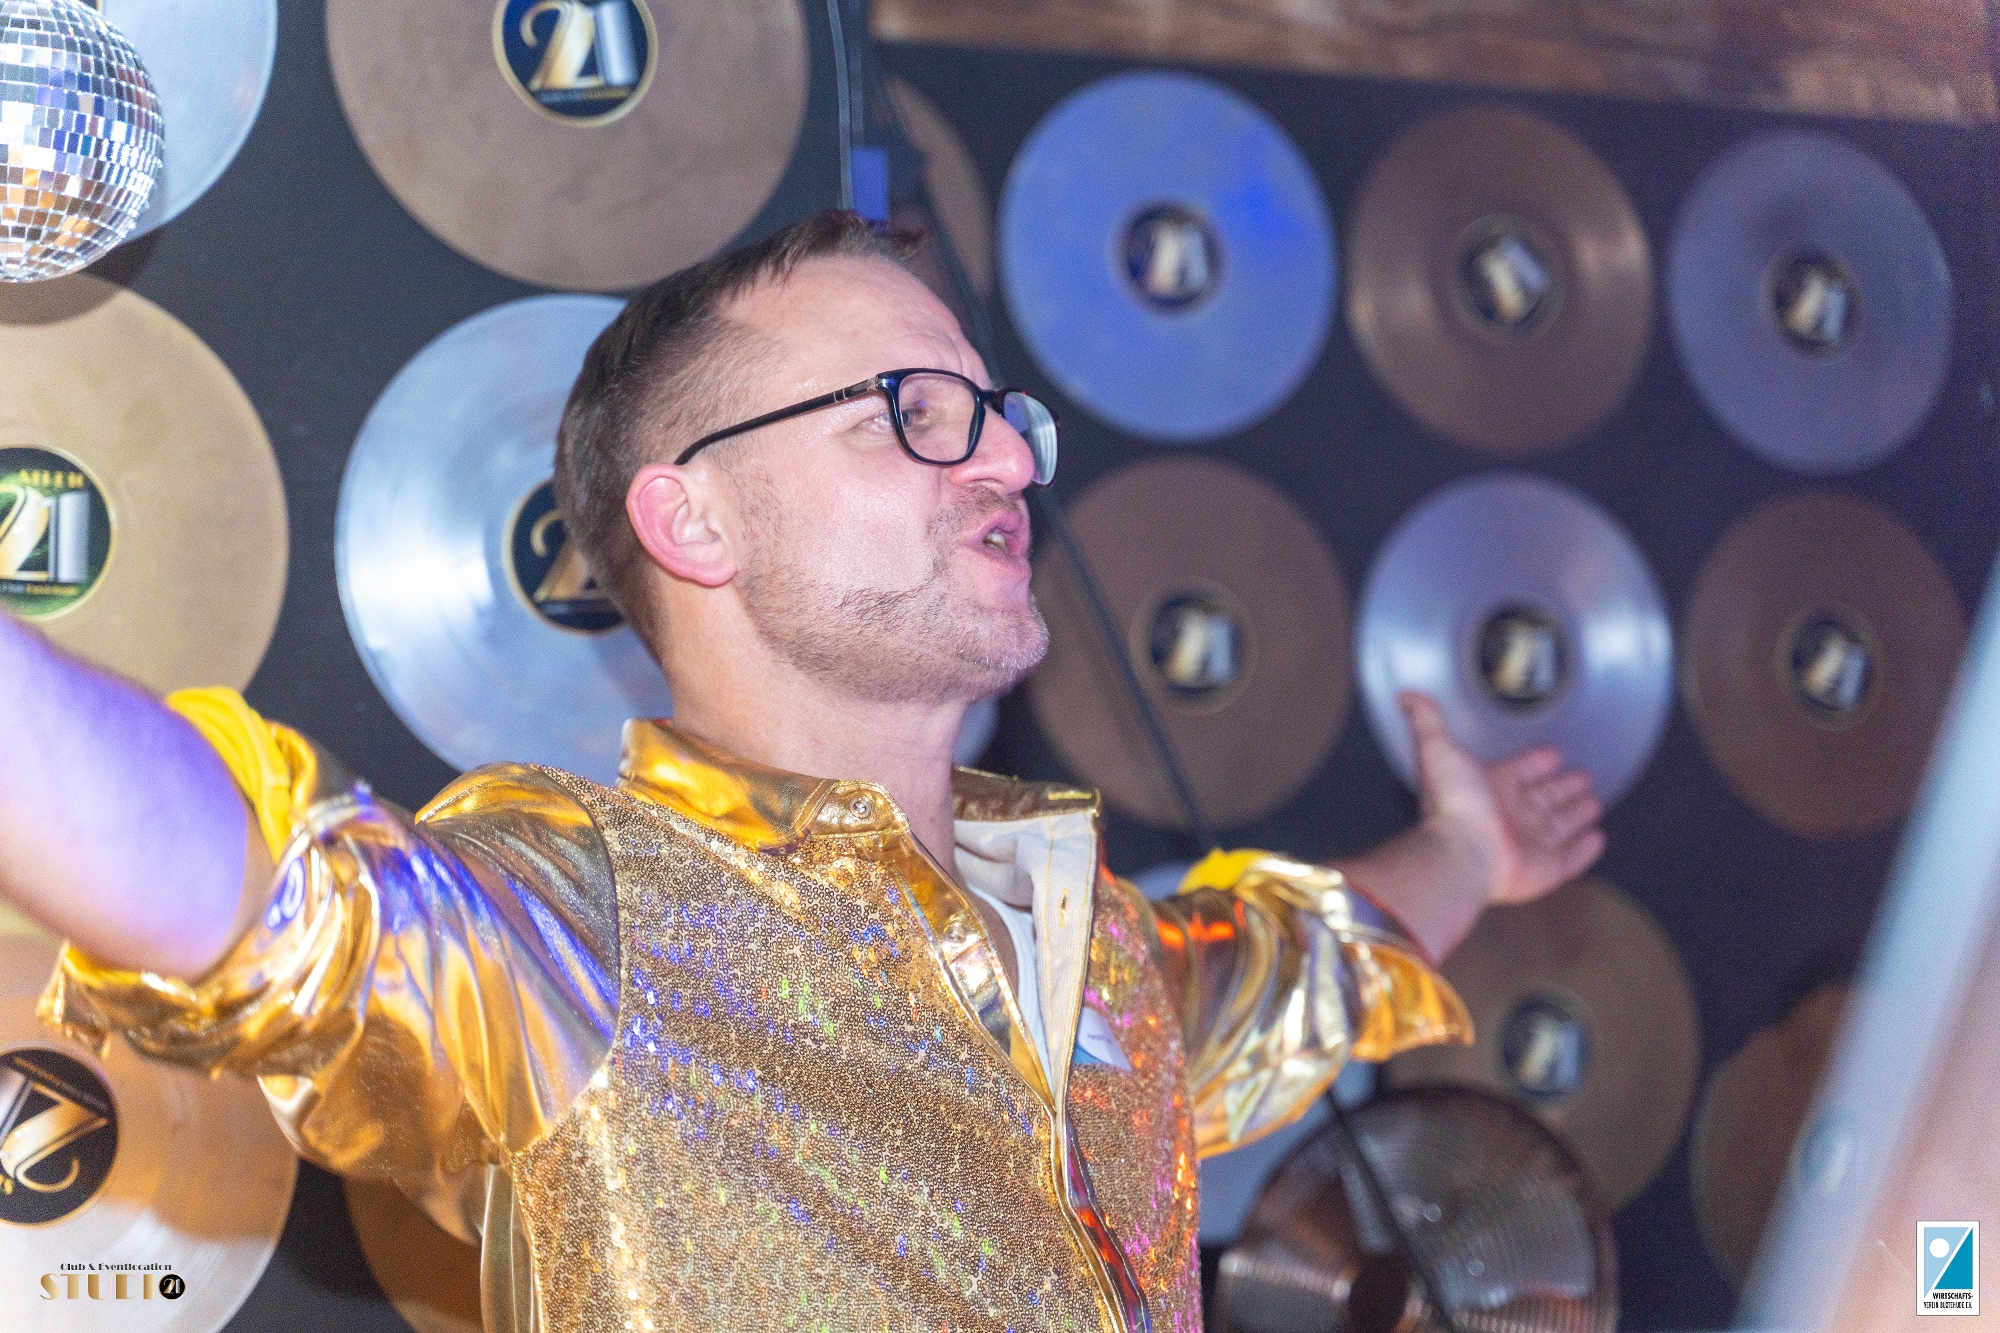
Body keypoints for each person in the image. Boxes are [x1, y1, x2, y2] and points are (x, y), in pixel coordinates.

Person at [0, 211, 1605, 1333]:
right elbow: (263, 892)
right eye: (913, 412)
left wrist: (1468, 849)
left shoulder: (1091, 941)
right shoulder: (585, 920)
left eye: (996, 414)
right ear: (691, 517)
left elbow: (1301, 961)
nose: (1005, 458)